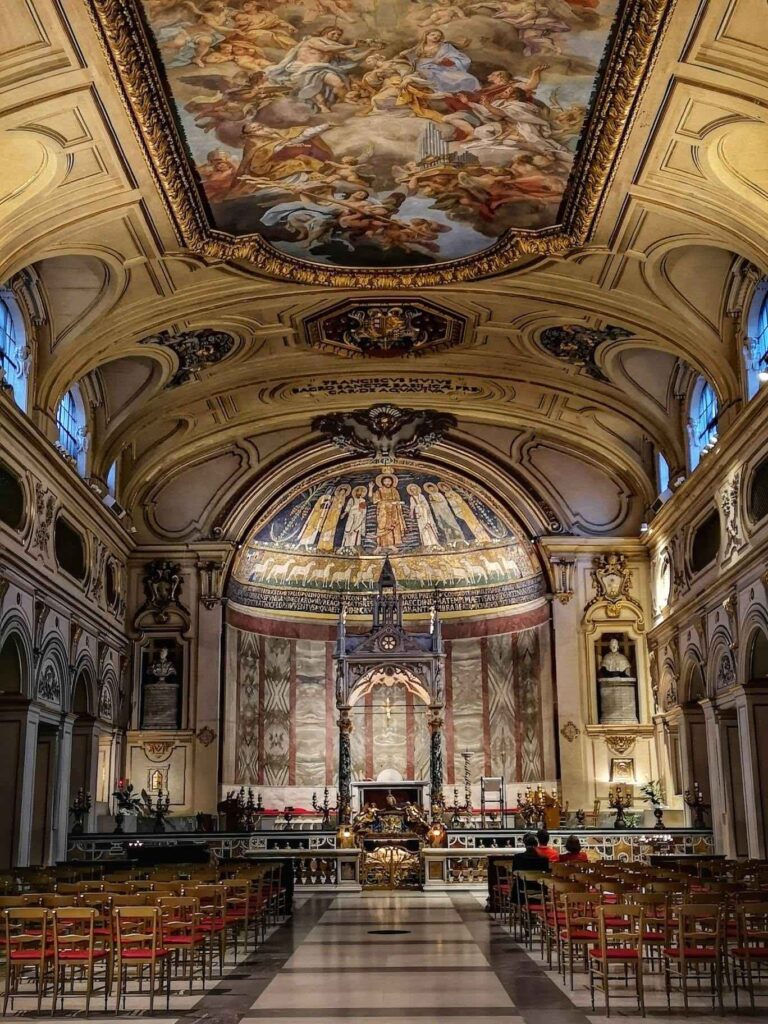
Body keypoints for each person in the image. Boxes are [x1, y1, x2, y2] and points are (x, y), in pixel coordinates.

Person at [510, 832, 550, 904]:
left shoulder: (518, 857)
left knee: (517, 881)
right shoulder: (544, 859)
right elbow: (547, 873)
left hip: (522, 887)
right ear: (537, 845)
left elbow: (514, 872)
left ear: (525, 845)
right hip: (539, 886)